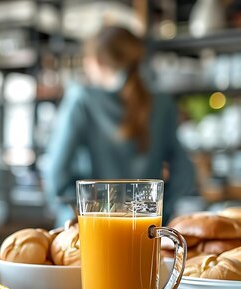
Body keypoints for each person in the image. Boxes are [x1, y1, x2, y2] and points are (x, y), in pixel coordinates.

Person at [43, 25, 196, 225]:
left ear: (95, 61)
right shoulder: (162, 104)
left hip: (90, 234)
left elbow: (55, 173)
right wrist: (159, 213)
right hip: (144, 233)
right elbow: (185, 173)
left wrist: (76, 215)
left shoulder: (82, 100)